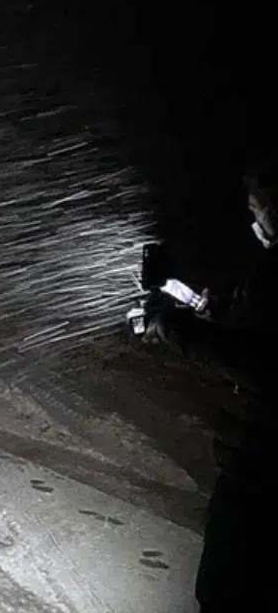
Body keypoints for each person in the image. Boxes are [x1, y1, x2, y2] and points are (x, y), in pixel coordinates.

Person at [140, 158, 278, 611]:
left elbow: (256, 359)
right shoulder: (273, 273)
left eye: (259, 208)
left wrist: (171, 327)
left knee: (226, 590)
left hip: (262, 469)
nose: (254, 220)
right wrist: (191, 298)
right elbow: (249, 316)